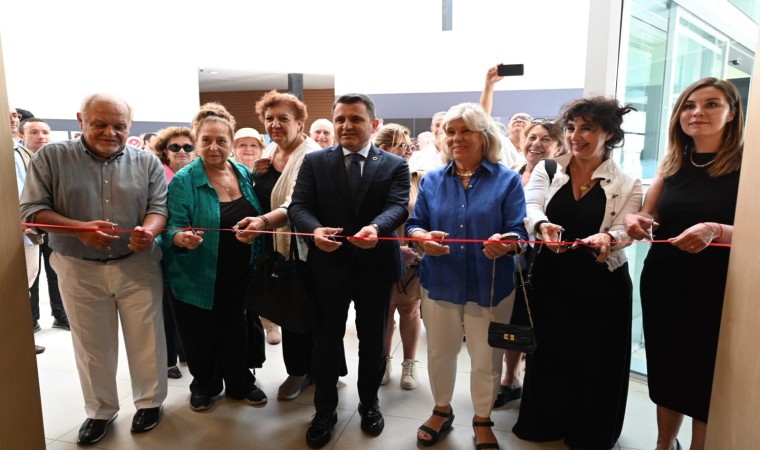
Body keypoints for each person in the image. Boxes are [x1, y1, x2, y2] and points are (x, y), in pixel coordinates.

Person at [20, 94, 168, 444]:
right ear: (80, 120)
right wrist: (78, 230)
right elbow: (32, 210)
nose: (110, 132)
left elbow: (158, 208)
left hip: (137, 265)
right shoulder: (51, 157)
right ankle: (100, 410)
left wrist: (149, 232)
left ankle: (150, 403)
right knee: (91, 345)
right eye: (99, 124)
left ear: (130, 126)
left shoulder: (146, 161)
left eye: (119, 126)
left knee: (147, 339)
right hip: (77, 268)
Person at [514, 97, 642, 449]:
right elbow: (531, 205)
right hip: (552, 278)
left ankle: (589, 431)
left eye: (587, 128)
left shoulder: (628, 183)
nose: (575, 136)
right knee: (550, 353)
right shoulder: (549, 169)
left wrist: (609, 238)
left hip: (602, 284)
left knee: (595, 359)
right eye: (571, 128)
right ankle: (546, 422)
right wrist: (542, 225)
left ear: (609, 133)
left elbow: (625, 230)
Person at [624, 78, 743, 450]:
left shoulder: (748, 163)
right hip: (665, 279)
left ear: (732, 113)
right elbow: (650, 214)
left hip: (719, 285)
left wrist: (716, 230)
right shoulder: (673, 160)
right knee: (668, 370)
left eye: (711, 104)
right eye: (689, 105)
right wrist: (636, 220)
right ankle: (665, 444)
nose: (697, 113)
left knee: (706, 377)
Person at [289, 93, 410, 449]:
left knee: (373, 341)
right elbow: (299, 206)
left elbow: (398, 205)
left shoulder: (394, 164)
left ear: (374, 124)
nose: (346, 125)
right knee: (326, 340)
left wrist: (376, 227)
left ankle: (369, 403)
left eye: (355, 119)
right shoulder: (315, 161)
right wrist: (314, 230)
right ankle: (324, 410)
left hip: (376, 265)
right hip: (328, 265)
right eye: (340, 119)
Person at [406, 102, 527, 450]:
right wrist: (422, 239)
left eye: (465, 131)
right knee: (440, 352)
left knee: (486, 357)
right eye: (450, 132)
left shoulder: (507, 180)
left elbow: (519, 233)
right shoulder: (432, 180)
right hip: (440, 280)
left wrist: (506, 242)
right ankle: (441, 410)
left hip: (491, 284)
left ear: (484, 135)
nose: (456, 138)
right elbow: (415, 225)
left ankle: (482, 419)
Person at [161, 103, 268, 412]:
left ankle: (240, 382)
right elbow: (172, 225)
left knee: (237, 329)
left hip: (240, 271)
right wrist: (180, 237)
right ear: (197, 141)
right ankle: (204, 385)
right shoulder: (184, 180)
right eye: (206, 140)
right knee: (200, 333)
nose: (213, 147)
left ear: (231, 142)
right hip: (197, 273)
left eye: (221, 140)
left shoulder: (242, 172)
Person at [240, 90, 328, 400]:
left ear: (300, 122)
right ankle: (310, 368)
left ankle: (303, 371)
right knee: (290, 307)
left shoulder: (310, 154)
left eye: (283, 118)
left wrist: (263, 222)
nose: (275, 124)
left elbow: (295, 202)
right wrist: (256, 174)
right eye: (269, 118)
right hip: (275, 245)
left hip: (304, 248)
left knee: (300, 309)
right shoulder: (270, 151)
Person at [494, 119, 564, 409]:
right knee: (514, 320)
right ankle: (510, 379)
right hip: (513, 259)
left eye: (545, 139)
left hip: (542, 259)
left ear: (559, 147)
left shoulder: (559, 175)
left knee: (535, 321)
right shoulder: (513, 172)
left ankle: (532, 381)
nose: (536, 144)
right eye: (532, 137)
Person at [373, 124, 421, 390]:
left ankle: (409, 363)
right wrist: (392, 249)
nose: (408, 150)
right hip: (380, 253)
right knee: (385, 310)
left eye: (410, 145)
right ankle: (385, 360)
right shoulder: (371, 178)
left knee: (410, 310)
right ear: (384, 148)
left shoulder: (418, 178)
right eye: (402, 146)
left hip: (413, 256)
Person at [152, 126, 196, 379]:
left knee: (185, 304)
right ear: (164, 151)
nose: (182, 151)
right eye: (175, 147)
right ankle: (168, 360)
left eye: (188, 147)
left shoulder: (197, 174)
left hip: (191, 249)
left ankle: (184, 351)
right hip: (163, 249)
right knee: (167, 308)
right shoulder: (157, 174)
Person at [19, 118, 70, 333]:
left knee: (56, 270)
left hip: (54, 222)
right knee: (30, 273)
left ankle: (61, 315)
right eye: (34, 132)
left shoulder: (58, 159)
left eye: (45, 132)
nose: (41, 136)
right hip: (27, 224)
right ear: (21, 136)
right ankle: (31, 320)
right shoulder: (15, 158)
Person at [11, 107, 45, 355]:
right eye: (8, 115)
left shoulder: (22, 152)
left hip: (27, 233)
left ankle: (21, 337)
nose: (14, 119)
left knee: (25, 285)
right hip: (11, 232)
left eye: (15, 115)